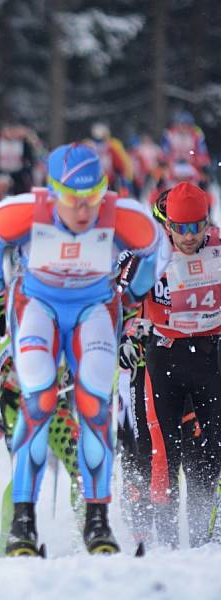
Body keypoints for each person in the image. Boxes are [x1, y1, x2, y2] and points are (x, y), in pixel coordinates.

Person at [0, 142, 169, 556]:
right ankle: (23, 524)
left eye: (92, 199)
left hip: (93, 307)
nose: (83, 212)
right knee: (40, 397)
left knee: (95, 402)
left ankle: (97, 522)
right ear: (52, 191)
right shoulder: (26, 210)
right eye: (71, 200)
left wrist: (135, 291)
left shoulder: (122, 214)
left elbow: (157, 248)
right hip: (37, 306)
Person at [139, 182, 221, 547]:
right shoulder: (150, 252)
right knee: (164, 453)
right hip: (164, 357)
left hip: (210, 356)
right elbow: (123, 299)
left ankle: (209, 534)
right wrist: (130, 331)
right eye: (180, 228)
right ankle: (166, 540)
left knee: (212, 449)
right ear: (167, 224)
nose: (188, 237)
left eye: (196, 227)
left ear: (207, 223)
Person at [0, 333, 83, 554]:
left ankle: (88, 532)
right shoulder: (14, 340)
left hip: (54, 406)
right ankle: (10, 539)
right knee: (25, 472)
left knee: (81, 463)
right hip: (17, 407)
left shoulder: (70, 332)